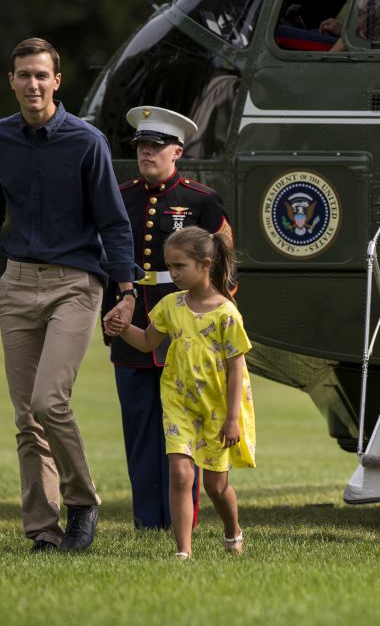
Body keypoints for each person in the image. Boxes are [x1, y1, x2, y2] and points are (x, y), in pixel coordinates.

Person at [0, 37, 142, 553]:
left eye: (42, 75)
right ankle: (43, 530)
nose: (33, 84)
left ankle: (82, 501)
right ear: (12, 81)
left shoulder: (87, 142)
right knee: (25, 415)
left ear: (57, 81)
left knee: (48, 400)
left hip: (76, 284)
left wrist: (125, 290)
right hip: (16, 282)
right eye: (24, 75)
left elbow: (112, 221)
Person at [102, 105, 235, 530]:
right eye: (141, 145)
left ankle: (183, 522)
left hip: (186, 329)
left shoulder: (201, 200)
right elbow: (108, 254)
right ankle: (147, 521)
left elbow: (226, 264)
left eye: (156, 146)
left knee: (183, 432)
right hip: (131, 321)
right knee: (139, 429)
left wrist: (217, 317)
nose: (146, 153)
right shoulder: (120, 196)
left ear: (177, 151)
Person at [104, 226, 254, 559]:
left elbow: (236, 370)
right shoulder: (171, 305)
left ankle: (233, 530)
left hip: (217, 408)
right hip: (178, 402)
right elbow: (146, 342)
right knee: (181, 472)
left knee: (215, 486)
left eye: (179, 266)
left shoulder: (227, 314)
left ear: (204, 264)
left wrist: (232, 419)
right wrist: (121, 328)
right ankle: (183, 552)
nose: (172, 273)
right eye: (169, 266)